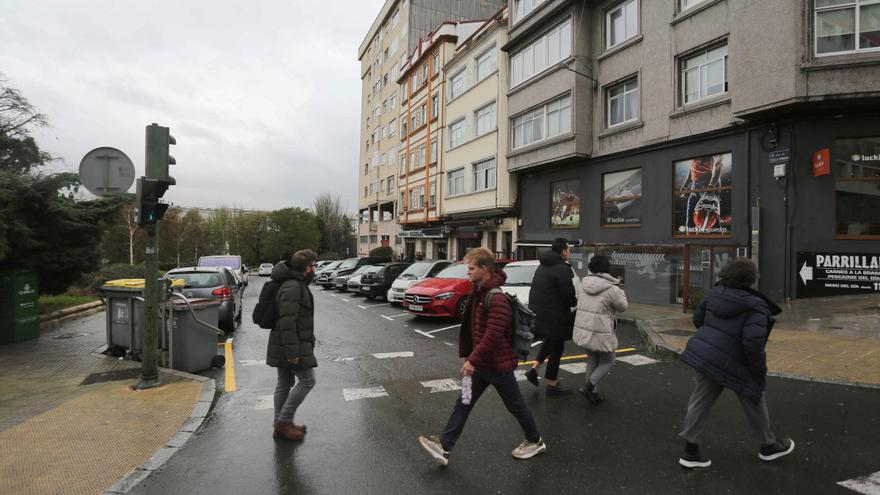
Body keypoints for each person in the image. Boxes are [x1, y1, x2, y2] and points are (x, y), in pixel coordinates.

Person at [418, 248, 545, 465]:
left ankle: (535, 441)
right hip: (482, 366)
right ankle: (445, 446)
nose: (467, 273)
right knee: (464, 402)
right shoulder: (479, 291)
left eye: (471, 269)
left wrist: (472, 360)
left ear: (483, 269)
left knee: (516, 405)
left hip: (498, 366)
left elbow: (493, 335)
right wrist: (472, 358)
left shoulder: (495, 298)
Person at [677, 258, 793, 469]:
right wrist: (759, 372)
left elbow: (698, 319)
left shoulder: (714, 293)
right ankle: (768, 446)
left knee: (700, 400)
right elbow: (753, 344)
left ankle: (690, 450)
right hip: (736, 361)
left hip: (707, 357)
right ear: (750, 279)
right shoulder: (755, 306)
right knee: (754, 395)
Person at [268, 249, 318, 441]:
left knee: (285, 382)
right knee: (308, 380)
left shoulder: (295, 283)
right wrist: (293, 352)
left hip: (284, 344)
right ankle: (284, 421)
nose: (315, 269)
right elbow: (287, 322)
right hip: (290, 344)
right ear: (307, 268)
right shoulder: (293, 287)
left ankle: (279, 426)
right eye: (314, 265)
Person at [525, 238, 578, 395]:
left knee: (550, 340)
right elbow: (567, 295)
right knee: (557, 348)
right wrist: (576, 302)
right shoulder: (562, 268)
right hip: (555, 313)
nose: (569, 253)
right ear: (562, 251)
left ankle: (534, 370)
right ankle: (552, 385)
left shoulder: (544, 264)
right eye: (568, 250)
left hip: (541, 312)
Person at [572, 255, 627, 404]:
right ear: (607, 268)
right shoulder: (612, 289)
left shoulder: (582, 284)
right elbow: (623, 307)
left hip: (585, 329)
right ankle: (589, 387)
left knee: (592, 359)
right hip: (601, 331)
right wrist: (621, 291)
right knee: (609, 360)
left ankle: (592, 392)